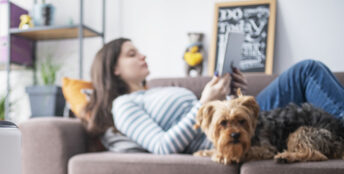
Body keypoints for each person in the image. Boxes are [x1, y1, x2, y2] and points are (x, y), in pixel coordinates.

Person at [80, 38, 344, 155]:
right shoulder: (124, 105)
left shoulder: (155, 91)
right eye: (131, 54)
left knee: (307, 70)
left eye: (139, 51)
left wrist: (234, 91)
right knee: (306, 70)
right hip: (221, 138)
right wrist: (204, 102)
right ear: (114, 69)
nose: (142, 56)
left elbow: (222, 115)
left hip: (245, 119)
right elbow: (162, 147)